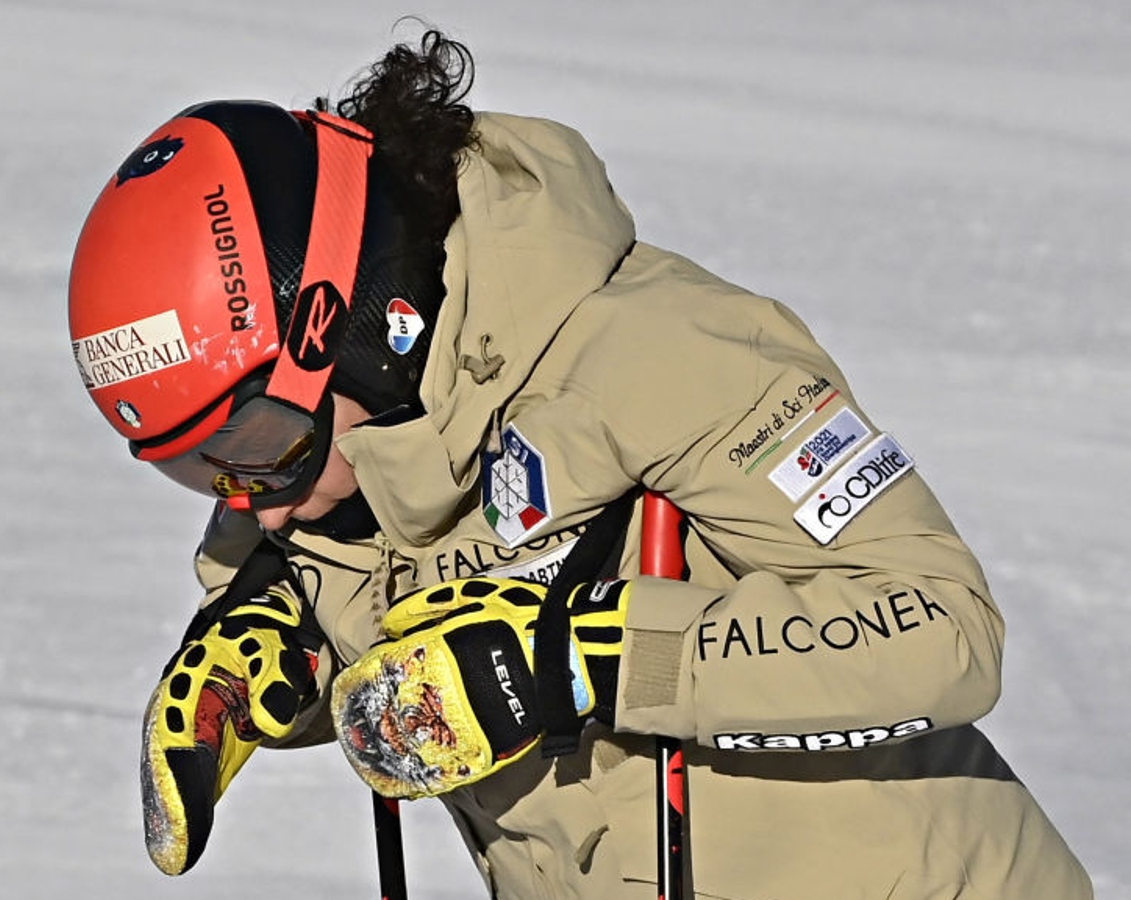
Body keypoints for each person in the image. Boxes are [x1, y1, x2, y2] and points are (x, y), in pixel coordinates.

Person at [66, 30, 1094, 900]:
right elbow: (441, 622)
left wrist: (581, 662)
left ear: (367, 323)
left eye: (248, 448)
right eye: (192, 471)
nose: (253, 508)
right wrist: (288, 653)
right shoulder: (338, 460)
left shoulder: (668, 351)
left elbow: (943, 635)